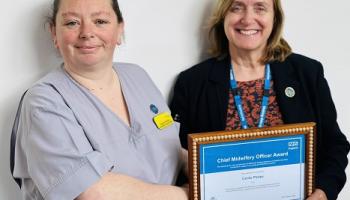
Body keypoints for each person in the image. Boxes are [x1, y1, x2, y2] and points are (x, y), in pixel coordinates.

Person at [170, 0, 350, 199]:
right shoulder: (192, 83)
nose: (247, 19)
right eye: (236, 7)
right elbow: (175, 156)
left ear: (275, 18)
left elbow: (335, 146)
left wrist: (323, 192)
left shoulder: (307, 73)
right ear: (223, 16)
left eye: (260, 7)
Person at [12, 0, 189, 199]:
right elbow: (93, 192)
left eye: (100, 21)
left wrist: (199, 165)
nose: (87, 32)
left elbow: (166, 148)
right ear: (54, 33)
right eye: (72, 23)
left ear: (119, 29)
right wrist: (190, 194)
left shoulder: (137, 76)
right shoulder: (44, 101)